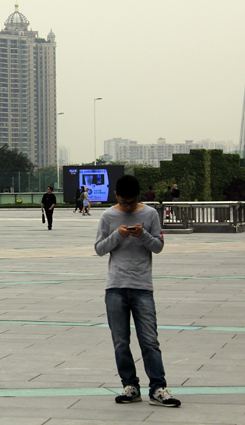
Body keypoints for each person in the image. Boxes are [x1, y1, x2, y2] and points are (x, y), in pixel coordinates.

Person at [95, 174, 181, 407]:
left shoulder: (150, 214)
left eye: (132, 202)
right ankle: (130, 385)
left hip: (143, 286)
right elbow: (99, 248)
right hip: (115, 287)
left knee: (149, 340)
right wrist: (117, 235)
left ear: (139, 196)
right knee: (120, 341)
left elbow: (159, 246)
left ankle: (158, 387)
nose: (129, 206)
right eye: (124, 202)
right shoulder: (108, 215)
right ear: (116, 196)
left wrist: (142, 234)